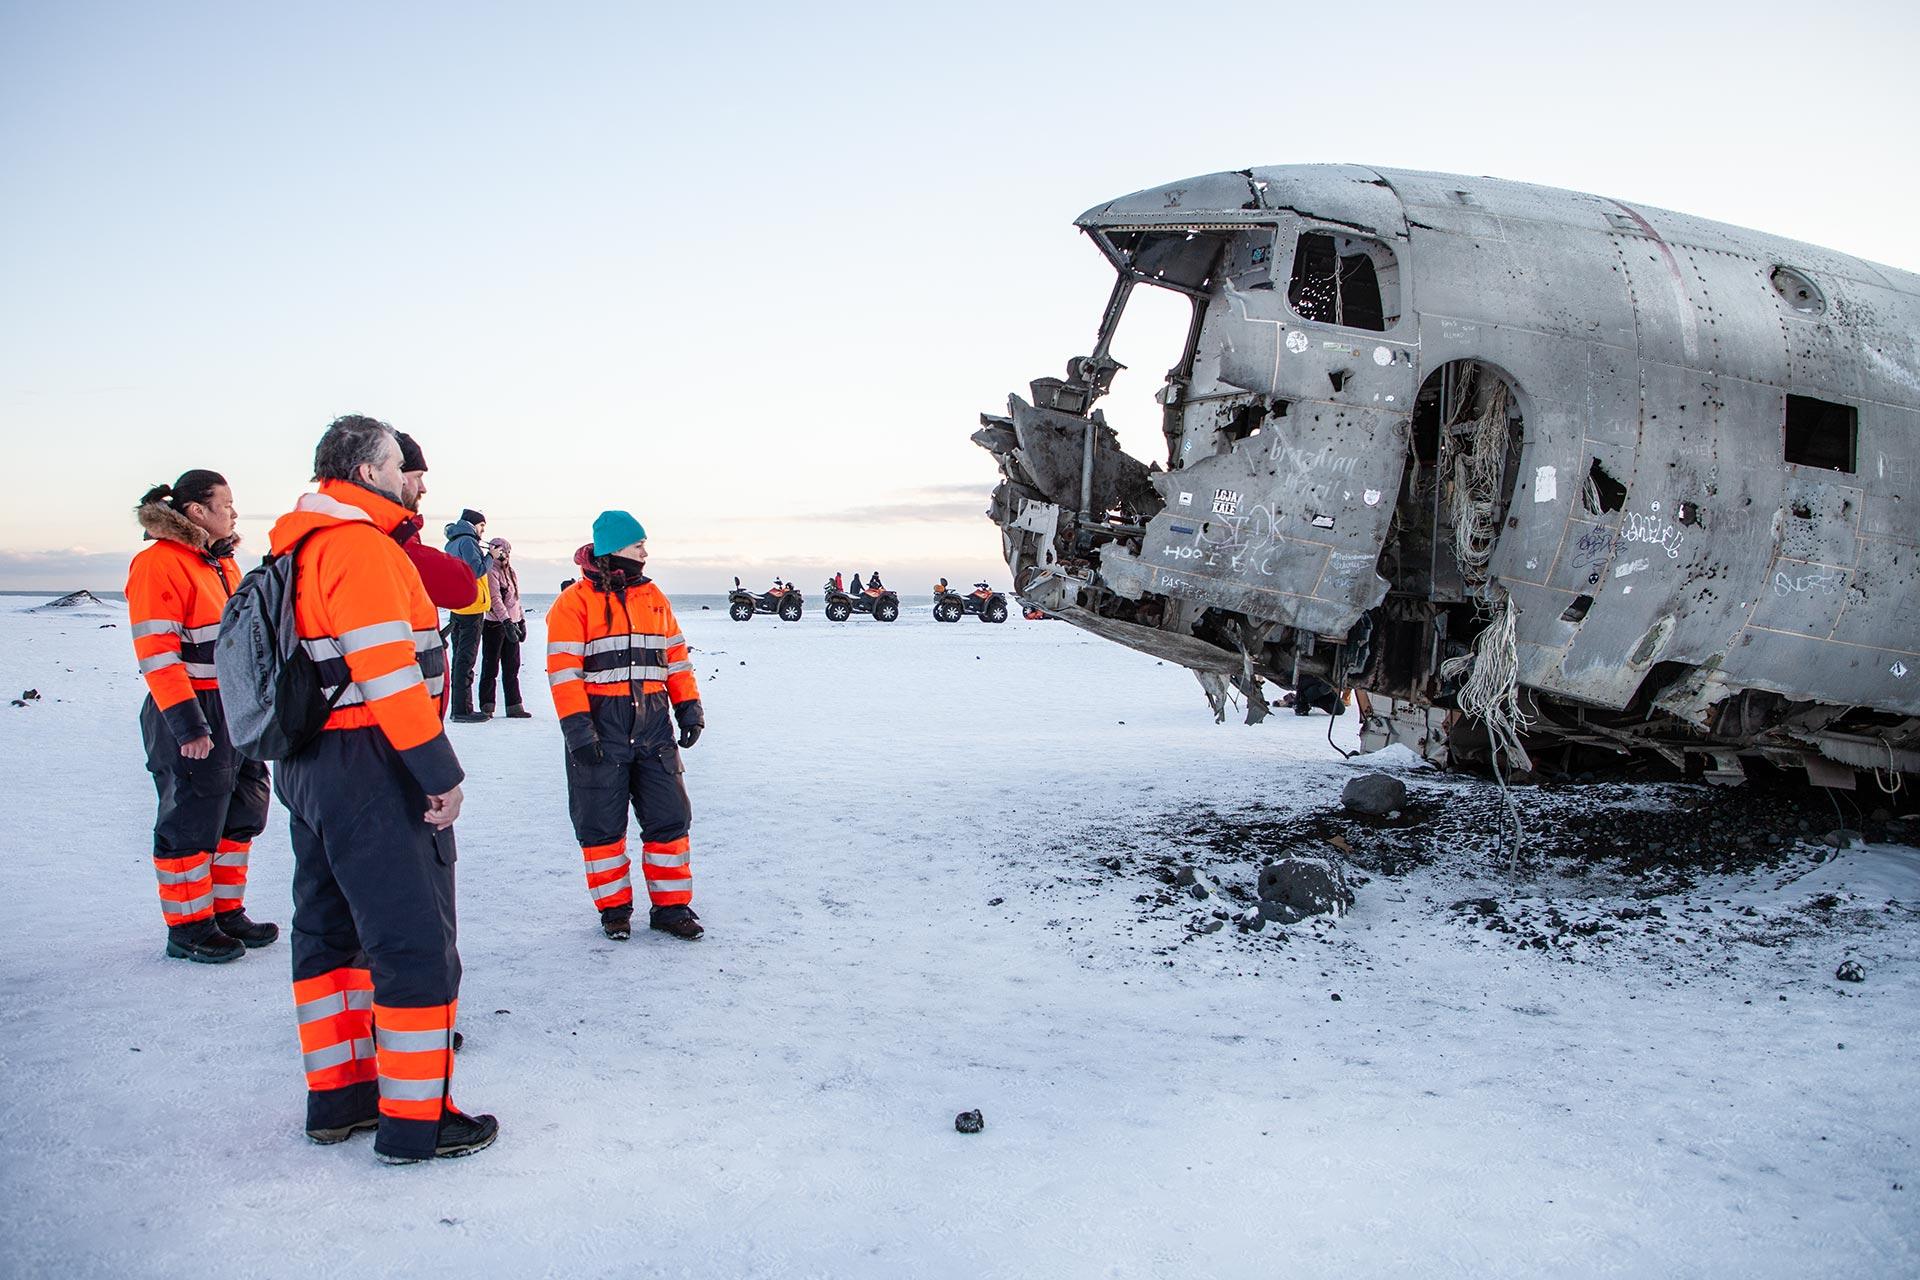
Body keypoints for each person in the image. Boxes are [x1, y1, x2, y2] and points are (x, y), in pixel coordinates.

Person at [268, 414, 495, 1163]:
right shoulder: (360, 549)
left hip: (309, 765)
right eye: (400, 464)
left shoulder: (301, 544)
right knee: (414, 941)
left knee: (330, 934)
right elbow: (388, 675)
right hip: (372, 760)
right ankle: (417, 1120)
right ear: (368, 472)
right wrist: (439, 773)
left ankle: (341, 1099)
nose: (409, 477)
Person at [126, 471, 277, 962]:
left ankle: (225, 911)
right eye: (226, 504)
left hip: (236, 706)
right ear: (196, 512)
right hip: (191, 707)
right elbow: (157, 652)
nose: (233, 513)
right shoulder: (158, 564)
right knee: (191, 817)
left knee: (242, 811)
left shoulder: (221, 563)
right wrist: (188, 724)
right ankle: (189, 926)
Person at [546, 510, 705, 942]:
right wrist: (578, 730)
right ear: (614, 549)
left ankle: (672, 910)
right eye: (638, 546)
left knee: (670, 819)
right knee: (601, 826)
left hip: (653, 727)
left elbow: (676, 658)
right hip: (601, 728)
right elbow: (563, 672)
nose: (645, 553)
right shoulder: (573, 603)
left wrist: (688, 707)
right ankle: (614, 910)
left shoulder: (654, 597)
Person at [393, 432, 479, 613]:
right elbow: (464, 586)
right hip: (471, 610)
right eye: (417, 477)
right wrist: (489, 558)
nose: (423, 488)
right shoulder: (391, 539)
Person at [443, 508, 492, 722]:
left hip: (457, 607)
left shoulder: (451, 542)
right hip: (472, 608)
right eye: (482, 526)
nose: (483, 531)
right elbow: (478, 570)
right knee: (467, 659)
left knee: (459, 659)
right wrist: (491, 556)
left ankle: (457, 707)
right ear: (474, 524)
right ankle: (463, 710)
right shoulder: (468, 542)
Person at [479, 537, 528, 718]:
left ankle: (514, 706)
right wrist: (506, 621)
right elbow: (495, 599)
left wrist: (521, 620)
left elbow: (516, 599)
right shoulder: (491, 571)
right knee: (490, 666)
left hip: (512, 623)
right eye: (500, 551)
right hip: (495, 625)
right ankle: (487, 706)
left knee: (512, 667)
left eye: (506, 551)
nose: (504, 555)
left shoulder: (511, 572)